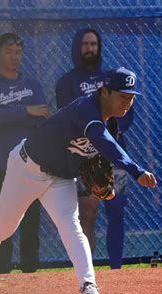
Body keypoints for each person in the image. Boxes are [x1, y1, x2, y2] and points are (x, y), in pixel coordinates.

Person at [0, 67, 157, 294]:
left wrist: (99, 181)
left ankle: (88, 286)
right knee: (5, 226)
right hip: (27, 169)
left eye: (132, 97)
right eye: (123, 96)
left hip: (60, 178)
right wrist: (135, 170)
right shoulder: (85, 109)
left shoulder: (111, 124)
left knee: (72, 228)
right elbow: (101, 140)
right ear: (105, 92)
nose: (128, 102)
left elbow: (98, 154)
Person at [56, 28, 134, 269]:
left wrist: (108, 134)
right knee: (87, 216)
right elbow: (69, 117)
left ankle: (116, 268)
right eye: (85, 44)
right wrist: (95, 135)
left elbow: (128, 114)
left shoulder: (110, 78)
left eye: (94, 44)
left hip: (114, 152)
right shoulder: (67, 82)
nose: (89, 48)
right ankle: (86, 271)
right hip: (84, 155)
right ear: (77, 48)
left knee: (115, 210)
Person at [0, 33, 50, 274]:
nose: (13, 57)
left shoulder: (32, 85)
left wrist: (15, 114)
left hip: (30, 164)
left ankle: (30, 271)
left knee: (30, 222)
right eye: (8, 51)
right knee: (2, 221)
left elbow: (42, 115)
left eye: (17, 52)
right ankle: (3, 270)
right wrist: (25, 111)